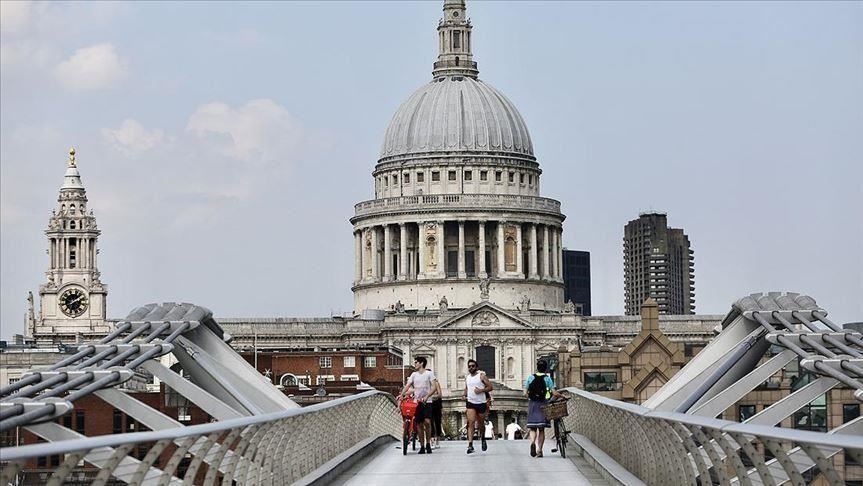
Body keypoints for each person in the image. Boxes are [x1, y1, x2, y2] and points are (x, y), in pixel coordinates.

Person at [525, 359, 563, 458]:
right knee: (541, 429)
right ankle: (539, 450)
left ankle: (532, 442)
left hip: (533, 404)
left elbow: (525, 393)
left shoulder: (530, 377)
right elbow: (554, 393)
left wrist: (531, 398)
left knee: (533, 428)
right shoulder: (547, 379)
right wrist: (561, 396)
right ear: (545, 369)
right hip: (543, 404)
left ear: (537, 368)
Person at [400, 356, 439, 454]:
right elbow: (407, 386)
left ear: (421, 363)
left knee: (427, 422)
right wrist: (402, 395)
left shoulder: (429, 374)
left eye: (416, 362)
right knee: (419, 424)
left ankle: (428, 443)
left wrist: (427, 396)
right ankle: (422, 446)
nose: (415, 364)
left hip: (427, 401)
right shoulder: (414, 375)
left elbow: (434, 387)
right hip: (416, 402)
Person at [462, 359, 493, 454]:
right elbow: (467, 388)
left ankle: (483, 438)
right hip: (470, 402)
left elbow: (490, 387)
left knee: (481, 424)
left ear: (476, 367)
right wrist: (464, 395)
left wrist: (481, 390)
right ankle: (470, 445)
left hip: (481, 403)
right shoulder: (467, 377)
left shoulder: (481, 376)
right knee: (470, 422)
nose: (471, 368)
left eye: (473, 366)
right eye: (469, 366)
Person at [430, 370, 443, 448]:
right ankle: (432, 439)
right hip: (428, 403)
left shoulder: (436, 383)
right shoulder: (424, 384)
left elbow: (440, 394)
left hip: (436, 403)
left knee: (437, 421)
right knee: (430, 421)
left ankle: (437, 438)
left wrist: (431, 396)